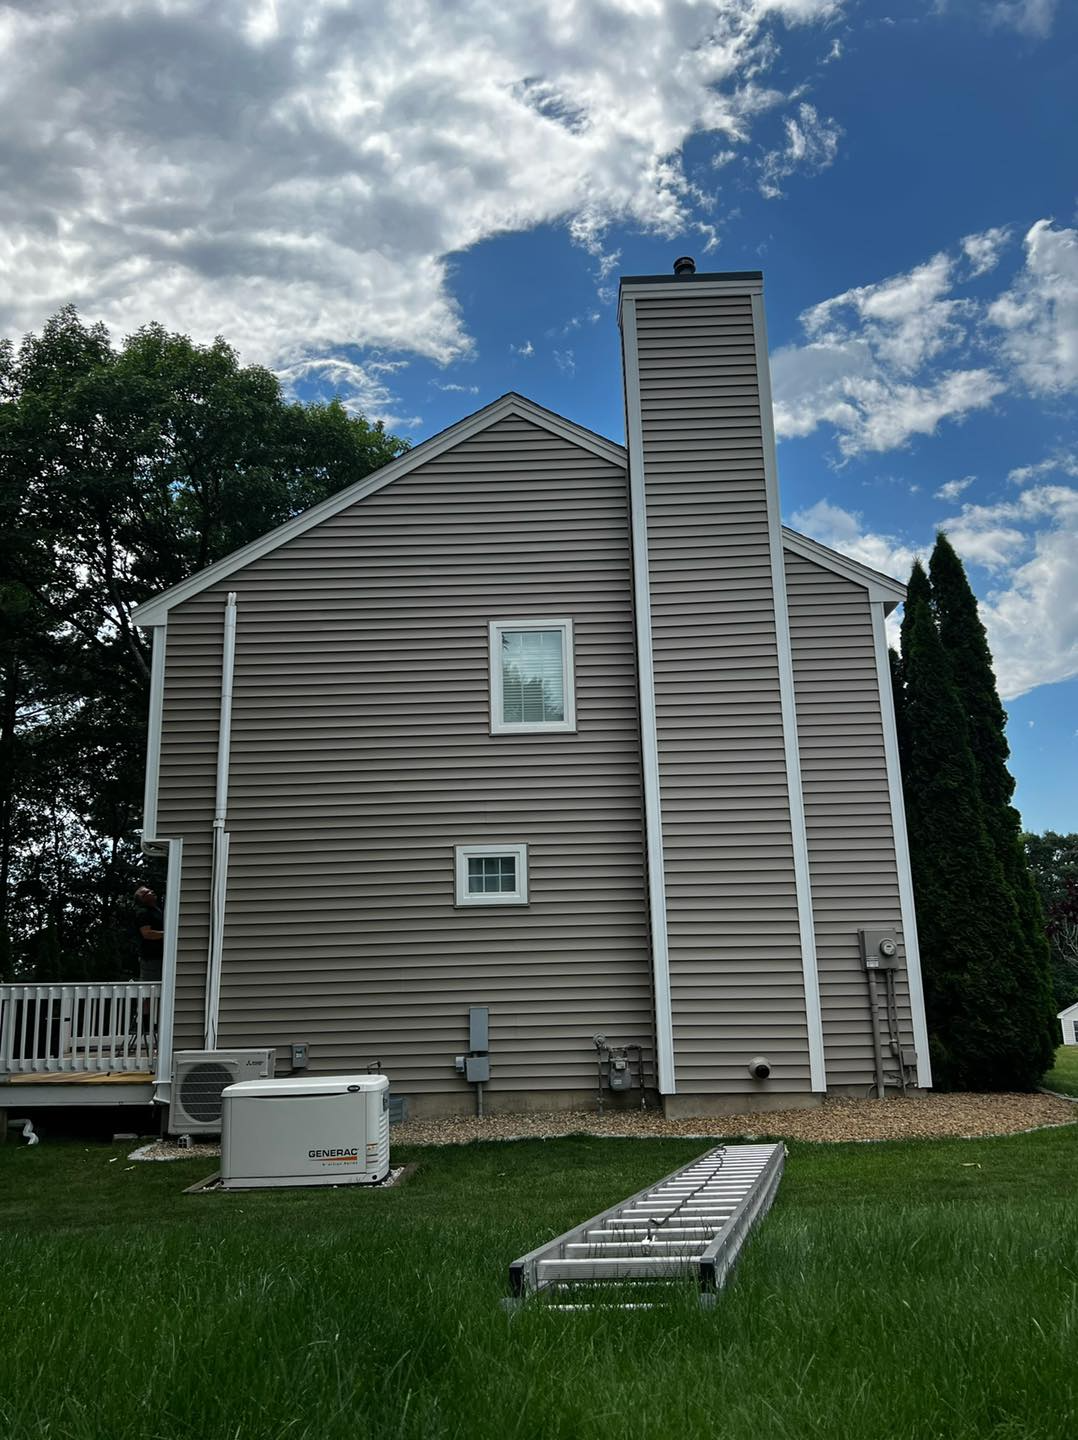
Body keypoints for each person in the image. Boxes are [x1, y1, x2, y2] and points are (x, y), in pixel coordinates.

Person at [133, 886, 164, 981]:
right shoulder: (143, 912)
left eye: (150, 890)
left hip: (160, 956)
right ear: (142, 899)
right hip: (151, 959)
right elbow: (147, 934)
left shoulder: (157, 909)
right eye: (147, 892)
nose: (152, 891)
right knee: (150, 989)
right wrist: (169, 934)